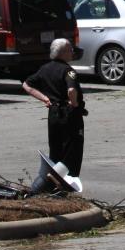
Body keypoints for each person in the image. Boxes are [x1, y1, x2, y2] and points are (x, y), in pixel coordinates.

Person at [22, 38, 86, 194]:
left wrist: (44, 98)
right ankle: (65, 185)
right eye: (70, 49)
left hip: (53, 115)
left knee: (55, 149)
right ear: (63, 52)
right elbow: (71, 90)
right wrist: (75, 103)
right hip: (69, 115)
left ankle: (51, 185)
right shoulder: (68, 71)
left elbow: (27, 85)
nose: (72, 52)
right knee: (72, 150)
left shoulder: (45, 69)